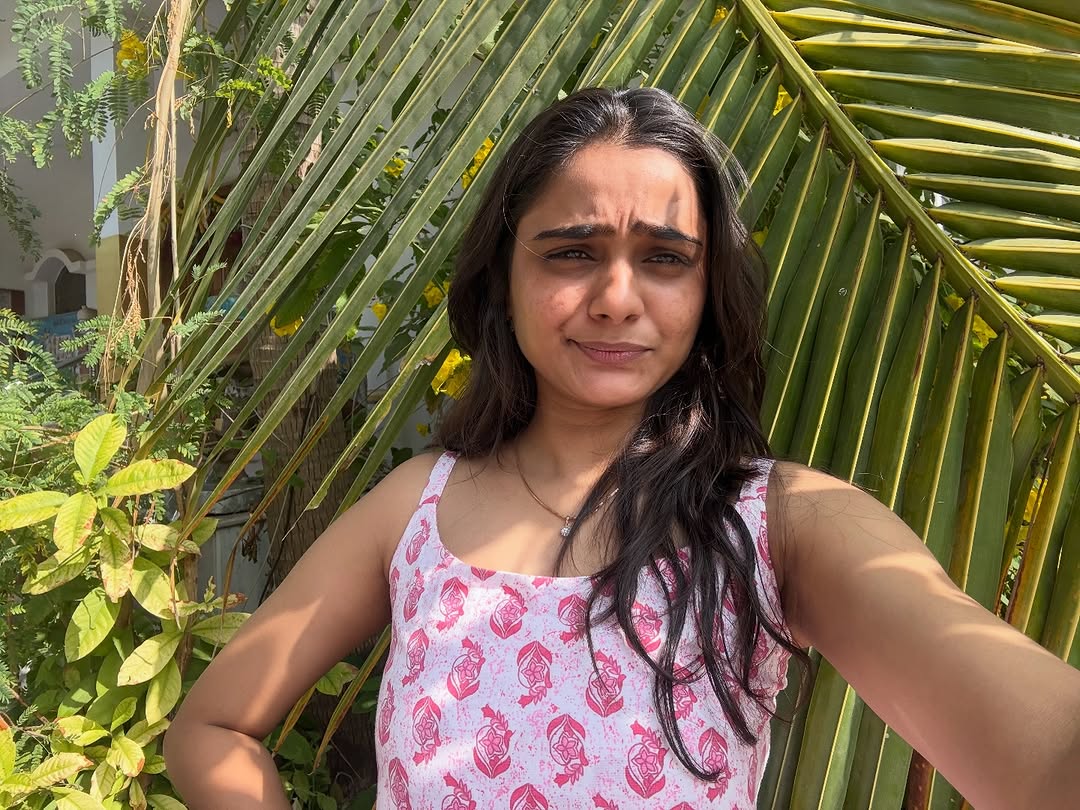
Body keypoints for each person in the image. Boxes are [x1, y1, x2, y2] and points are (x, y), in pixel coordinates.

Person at [163, 87, 1080, 809]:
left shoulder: (778, 525)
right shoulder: (413, 510)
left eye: (665, 259)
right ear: (503, 278)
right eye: (571, 252)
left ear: (708, 290)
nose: (615, 298)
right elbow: (212, 728)